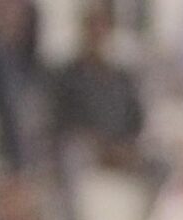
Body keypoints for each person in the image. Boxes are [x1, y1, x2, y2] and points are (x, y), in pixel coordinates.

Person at [47, 0, 146, 173]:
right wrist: (99, 146)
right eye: (92, 25)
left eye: (102, 25)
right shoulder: (66, 76)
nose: (97, 32)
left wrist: (124, 147)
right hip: (85, 152)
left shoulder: (121, 78)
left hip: (121, 150)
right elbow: (60, 121)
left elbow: (135, 121)